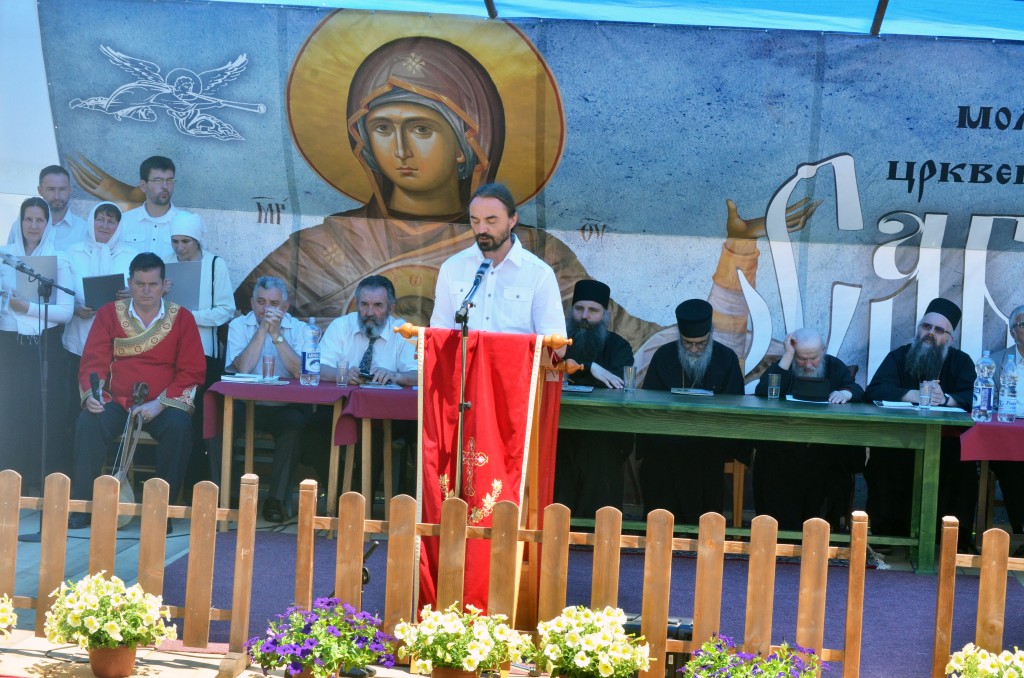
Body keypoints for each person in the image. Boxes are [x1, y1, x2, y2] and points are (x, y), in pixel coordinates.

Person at [70, 253, 205, 528]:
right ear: (129, 283)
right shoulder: (109, 313)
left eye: (153, 284)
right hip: (115, 400)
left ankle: (161, 511)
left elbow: (192, 370)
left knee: (179, 428)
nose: (146, 291)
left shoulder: (182, 318)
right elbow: (93, 361)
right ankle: (83, 506)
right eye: (140, 284)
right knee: (88, 422)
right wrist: (94, 395)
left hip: (161, 404)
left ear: (164, 285)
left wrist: (160, 404)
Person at [864, 297, 977, 549]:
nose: (930, 333)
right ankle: (887, 531)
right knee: (884, 457)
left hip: (947, 441)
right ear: (919, 329)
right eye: (926, 326)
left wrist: (945, 399)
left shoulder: (961, 361)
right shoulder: (900, 356)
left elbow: (974, 397)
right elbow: (875, 389)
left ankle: (953, 538)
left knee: (964, 464)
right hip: (902, 438)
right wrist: (914, 395)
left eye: (939, 330)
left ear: (949, 338)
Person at [305, 275, 417, 498]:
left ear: (391, 308)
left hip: (386, 416)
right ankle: (341, 496)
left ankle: (361, 504)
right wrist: (343, 374)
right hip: (342, 410)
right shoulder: (341, 326)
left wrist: (394, 376)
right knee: (310, 432)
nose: (369, 312)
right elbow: (317, 368)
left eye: (377, 306)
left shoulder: (402, 331)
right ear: (356, 305)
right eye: (364, 305)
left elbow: (419, 374)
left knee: (372, 437)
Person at [639, 298, 747, 523]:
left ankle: (704, 525)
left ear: (710, 336)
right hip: (670, 433)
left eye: (701, 344)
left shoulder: (726, 358)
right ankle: (661, 524)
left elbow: (735, 402)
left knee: (706, 452)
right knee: (657, 452)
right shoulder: (664, 356)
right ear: (680, 337)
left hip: (709, 434)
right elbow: (650, 399)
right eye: (687, 344)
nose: (694, 349)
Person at [752, 328, 864, 530]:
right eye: (802, 359)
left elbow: (856, 389)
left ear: (823, 351)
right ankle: (777, 531)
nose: (809, 364)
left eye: (814, 358)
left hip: (822, 448)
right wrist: (787, 356)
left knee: (834, 465)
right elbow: (763, 391)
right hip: (784, 447)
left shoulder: (834, 366)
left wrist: (845, 393)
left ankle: (822, 529)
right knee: (768, 460)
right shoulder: (785, 365)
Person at [0, 198, 74, 488]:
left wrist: (27, 308)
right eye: (28, 219)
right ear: (20, 222)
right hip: (8, 346)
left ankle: (38, 483)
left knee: (42, 414)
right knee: (10, 411)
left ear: (47, 224)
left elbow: (66, 312)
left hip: (44, 346)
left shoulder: (59, 258)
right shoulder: (5, 255)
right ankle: (7, 480)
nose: (33, 226)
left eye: (39, 220)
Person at [429, 182, 565, 339]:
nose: (481, 229)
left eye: (491, 221)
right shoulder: (452, 268)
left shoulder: (539, 274)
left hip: (515, 356)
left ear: (512, 220)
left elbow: (556, 343)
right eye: (475, 221)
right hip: (463, 356)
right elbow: (439, 334)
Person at [62, 202, 139, 476]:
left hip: (116, 347)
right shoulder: (73, 252)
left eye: (111, 221)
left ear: (119, 225)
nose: (105, 225)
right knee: (77, 411)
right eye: (100, 219)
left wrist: (131, 294)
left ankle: (108, 476)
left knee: (106, 410)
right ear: (91, 221)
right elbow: (64, 291)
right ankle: (74, 475)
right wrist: (75, 308)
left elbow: (143, 291)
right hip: (79, 340)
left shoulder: (131, 255)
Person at [225, 276, 308, 522]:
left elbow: (299, 371)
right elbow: (242, 367)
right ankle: (229, 497)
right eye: (261, 302)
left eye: (274, 304)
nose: (266, 309)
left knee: (294, 426)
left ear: (285, 307)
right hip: (244, 403)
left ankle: (276, 500)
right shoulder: (238, 326)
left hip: (283, 406)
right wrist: (262, 330)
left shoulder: (300, 329)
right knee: (221, 423)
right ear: (252, 303)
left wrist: (277, 335)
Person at [554, 280, 635, 517]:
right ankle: (558, 524)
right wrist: (590, 368)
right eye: (579, 308)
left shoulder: (618, 346)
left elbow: (617, 384)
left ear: (605, 314)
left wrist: (586, 369)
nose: (584, 316)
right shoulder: (559, 345)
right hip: (562, 426)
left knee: (599, 451)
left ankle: (598, 527)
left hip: (603, 428)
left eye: (593, 310)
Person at [168, 211, 236, 490]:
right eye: (175, 241)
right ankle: (172, 484)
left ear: (197, 240)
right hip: (170, 353)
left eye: (185, 241)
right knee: (175, 415)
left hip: (204, 353)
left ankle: (197, 486)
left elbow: (226, 310)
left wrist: (190, 317)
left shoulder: (215, 265)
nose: (180, 247)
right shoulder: (166, 264)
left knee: (199, 420)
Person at [988, 304, 1024, 545]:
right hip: (1006, 441)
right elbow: (987, 405)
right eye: (1023, 324)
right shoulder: (995, 361)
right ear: (1013, 332)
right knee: (1013, 466)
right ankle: (1021, 531)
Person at [6, 166, 87, 252]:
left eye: (62, 189)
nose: (57, 196)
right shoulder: (19, 227)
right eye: (51, 189)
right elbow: (9, 258)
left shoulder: (84, 230)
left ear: (70, 190)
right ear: (40, 190)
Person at [117, 156, 182, 262]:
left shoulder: (186, 222)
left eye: (170, 180)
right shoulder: (124, 221)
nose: (165, 186)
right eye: (158, 180)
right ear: (143, 185)